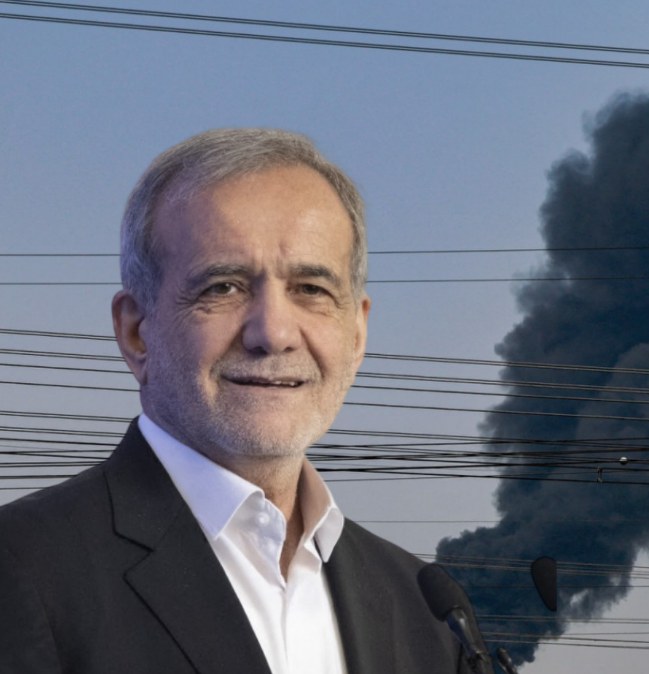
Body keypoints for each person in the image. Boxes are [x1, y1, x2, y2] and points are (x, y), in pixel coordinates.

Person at [0, 129, 468, 673]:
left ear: (358, 333)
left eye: (311, 290)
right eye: (223, 287)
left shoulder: (428, 610)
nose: (274, 333)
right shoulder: (20, 571)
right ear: (136, 332)